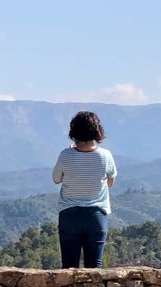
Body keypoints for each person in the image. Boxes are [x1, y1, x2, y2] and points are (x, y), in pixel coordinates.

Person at [52, 111, 117, 268]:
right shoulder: (105, 156)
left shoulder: (66, 155)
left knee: (68, 267)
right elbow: (110, 182)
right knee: (95, 268)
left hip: (69, 215)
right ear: (97, 130)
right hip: (96, 216)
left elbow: (56, 179)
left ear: (74, 131)